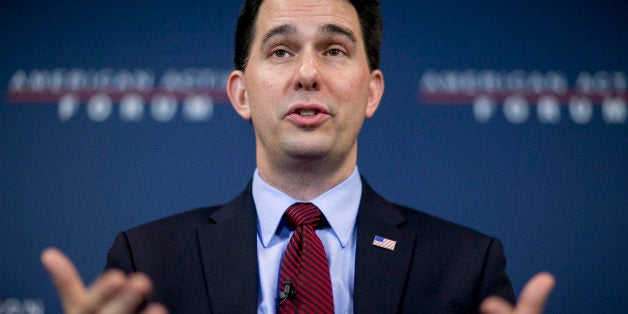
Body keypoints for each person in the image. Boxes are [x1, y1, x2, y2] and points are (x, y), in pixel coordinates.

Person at [41, 0, 555, 313]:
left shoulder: (466, 264)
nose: (307, 73)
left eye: (334, 50)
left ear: (372, 92)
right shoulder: (147, 263)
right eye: (281, 51)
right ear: (241, 93)